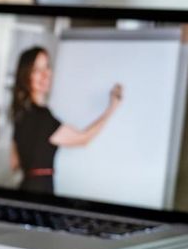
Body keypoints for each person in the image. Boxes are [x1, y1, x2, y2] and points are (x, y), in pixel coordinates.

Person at [9, 46, 122, 194]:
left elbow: (14, 163)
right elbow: (84, 138)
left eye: (47, 67)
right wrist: (112, 107)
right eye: (37, 70)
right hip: (41, 190)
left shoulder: (20, 115)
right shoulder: (42, 117)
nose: (45, 74)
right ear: (26, 76)